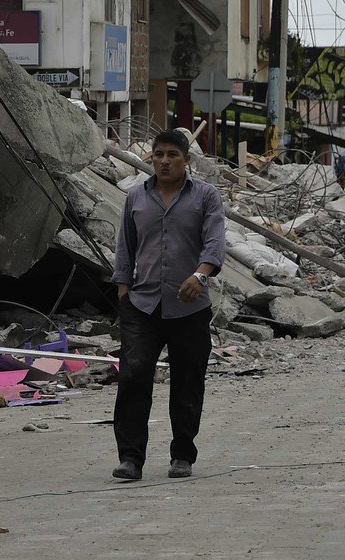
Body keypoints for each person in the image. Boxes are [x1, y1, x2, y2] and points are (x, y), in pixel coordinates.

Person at [111, 128, 226, 481]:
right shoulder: (136, 198)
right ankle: (131, 458)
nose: (164, 161)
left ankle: (182, 455)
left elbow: (215, 243)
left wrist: (201, 275)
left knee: (188, 381)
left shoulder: (206, 197)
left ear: (186, 160)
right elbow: (125, 247)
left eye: (172, 155)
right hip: (142, 305)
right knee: (133, 375)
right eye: (158, 154)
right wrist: (123, 290)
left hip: (189, 307)